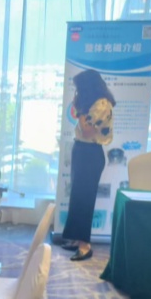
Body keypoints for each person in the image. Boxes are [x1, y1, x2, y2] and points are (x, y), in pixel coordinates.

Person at [61, 69, 116, 261]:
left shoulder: (102, 104)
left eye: (79, 89)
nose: (77, 92)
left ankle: (85, 246)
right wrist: (80, 107)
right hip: (82, 150)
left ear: (88, 87)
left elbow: (87, 130)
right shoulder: (91, 103)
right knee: (77, 197)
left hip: (91, 153)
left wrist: (80, 109)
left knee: (84, 199)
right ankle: (76, 239)